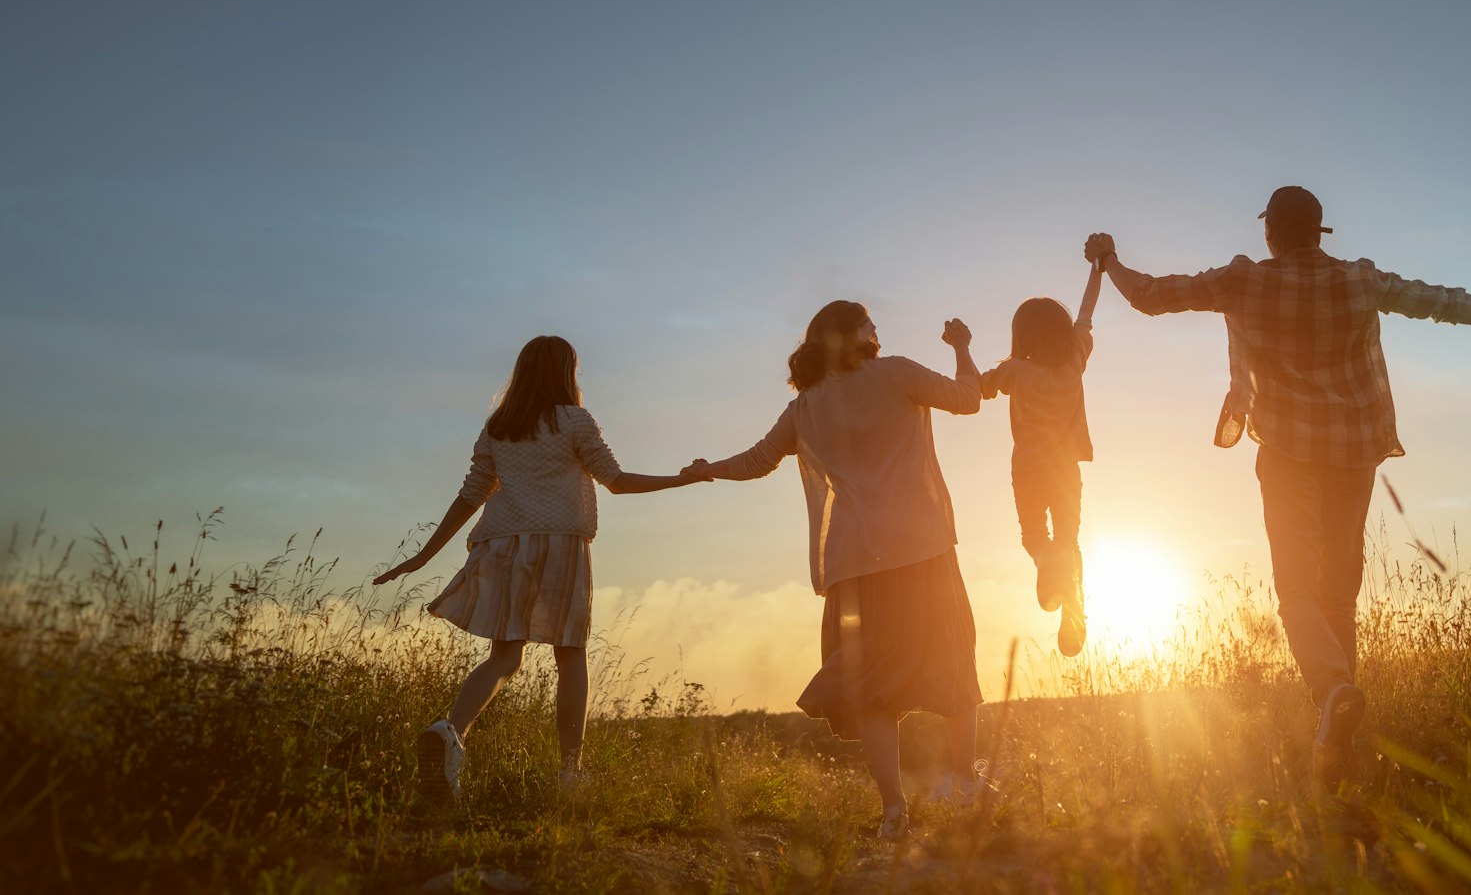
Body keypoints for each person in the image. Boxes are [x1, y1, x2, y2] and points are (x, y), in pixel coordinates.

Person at [1082, 186, 1471, 769]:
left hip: (1285, 454)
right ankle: (1340, 747)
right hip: (1353, 454)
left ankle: (1333, 693)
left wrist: (1108, 261)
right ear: (1319, 231)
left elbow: (1150, 297)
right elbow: (1449, 304)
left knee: (1298, 593)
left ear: (1269, 233)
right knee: (1338, 597)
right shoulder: (1360, 280)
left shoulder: (1243, 279)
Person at [681, 302, 986, 840]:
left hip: (856, 563)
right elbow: (969, 400)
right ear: (855, 335)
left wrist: (709, 471)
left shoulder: (806, 407)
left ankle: (894, 811)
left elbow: (756, 461)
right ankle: (964, 780)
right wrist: (962, 346)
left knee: (870, 687)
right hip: (923, 550)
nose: (878, 329)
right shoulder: (896, 373)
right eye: (870, 322)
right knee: (953, 658)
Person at [373, 334, 707, 804]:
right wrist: (683, 479)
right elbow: (617, 482)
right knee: (570, 655)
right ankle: (570, 773)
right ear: (567, 373)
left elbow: (472, 494)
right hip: (560, 544)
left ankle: (449, 732)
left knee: (504, 658)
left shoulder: (499, 426)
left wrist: (424, 556)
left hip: (503, 544)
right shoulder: (574, 421)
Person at [979, 260, 1103, 656]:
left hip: (1028, 468)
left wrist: (963, 352)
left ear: (1021, 336)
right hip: (1065, 468)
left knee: (1034, 534)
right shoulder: (1075, 362)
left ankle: (1047, 560)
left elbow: (979, 390)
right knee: (1069, 538)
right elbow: (1087, 314)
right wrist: (1097, 270)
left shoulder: (1015, 371)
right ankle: (1073, 599)